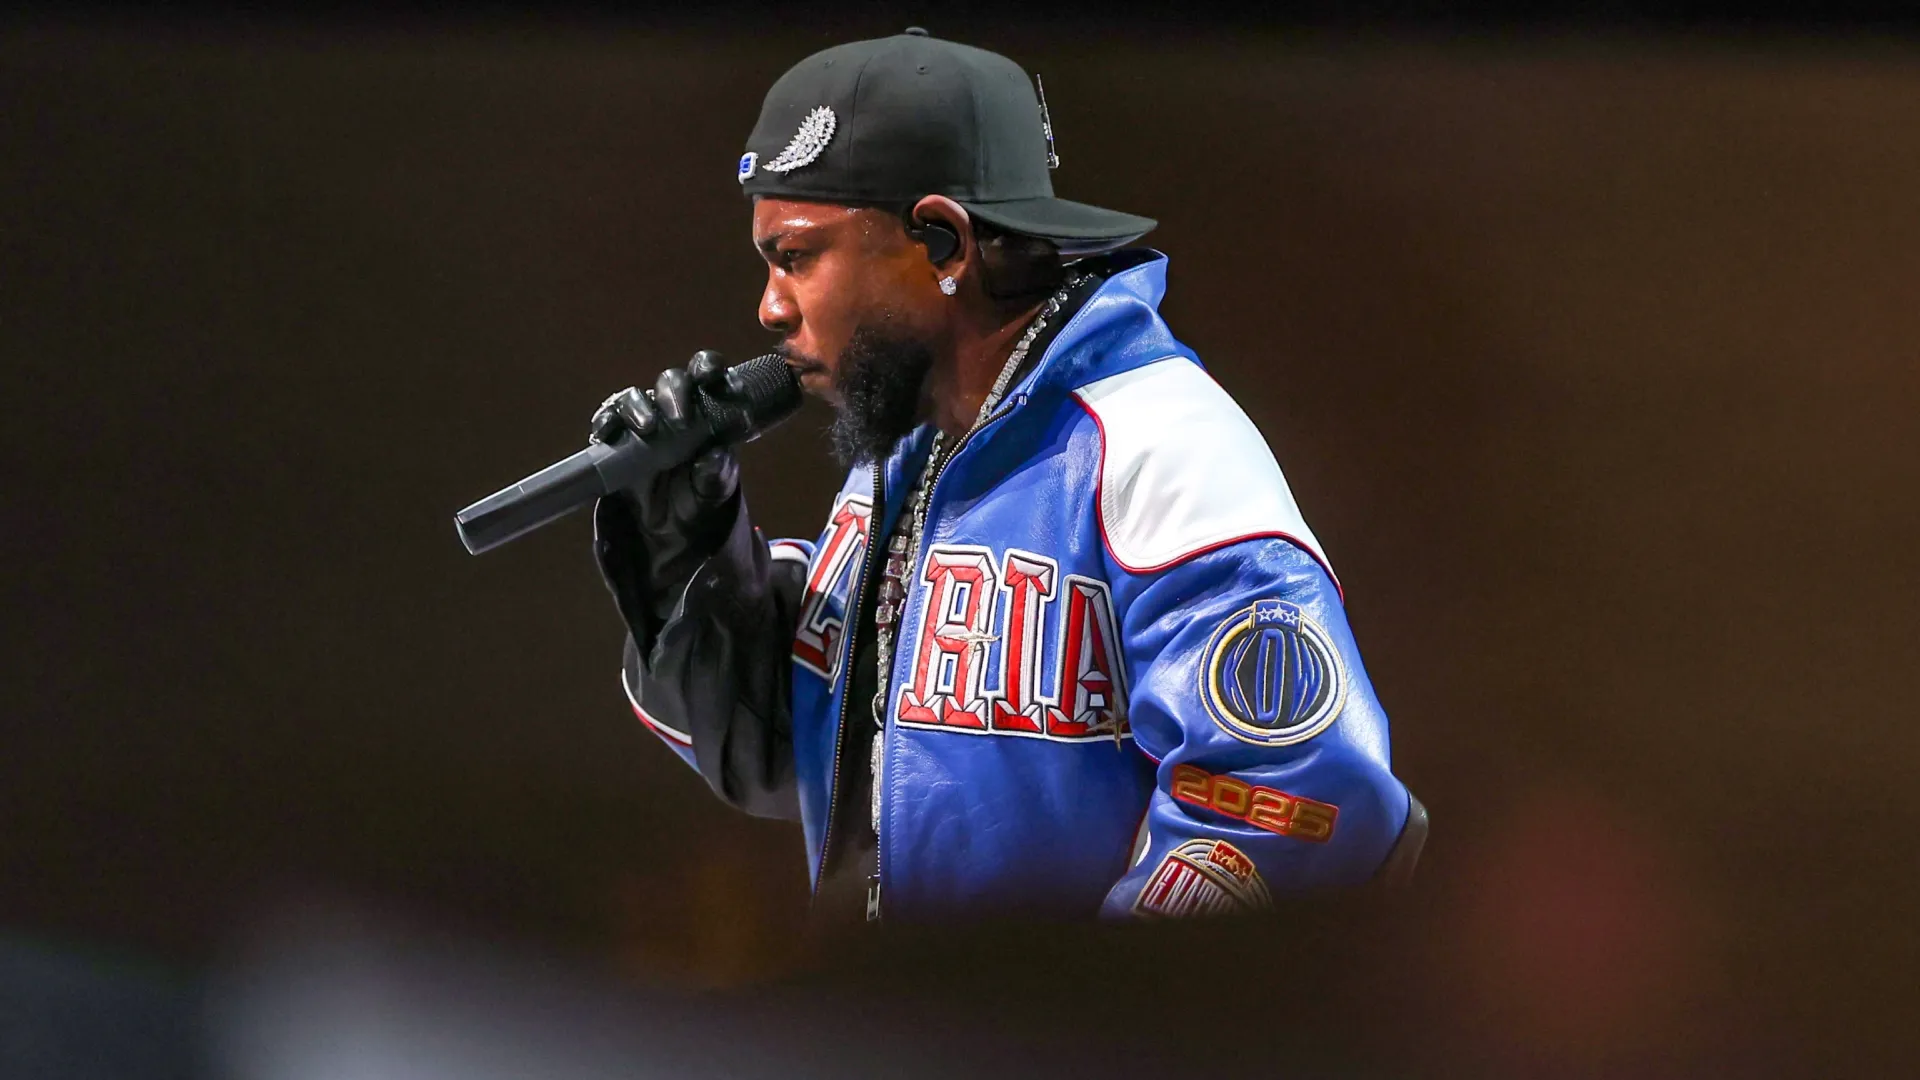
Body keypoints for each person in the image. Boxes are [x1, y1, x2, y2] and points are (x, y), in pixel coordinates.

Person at [588, 28, 1424, 925]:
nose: (770, 307)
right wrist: (689, 544)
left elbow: (1297, 801)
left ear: (944, 244)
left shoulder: (1155, 440)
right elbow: (795, 756)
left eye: (797, 256)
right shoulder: (905, 453)